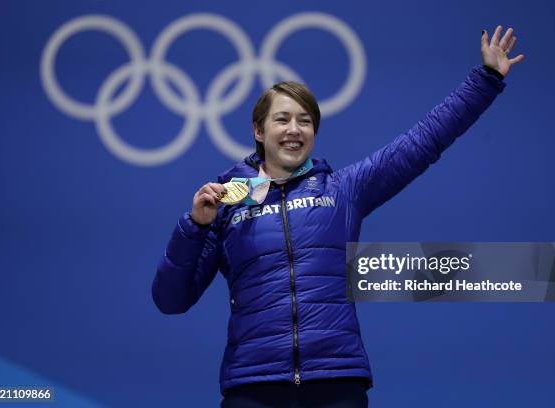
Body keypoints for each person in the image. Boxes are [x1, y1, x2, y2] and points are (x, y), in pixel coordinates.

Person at [152, 26, 524, 407]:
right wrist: (194, 227)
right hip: (253, 386)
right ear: (259, 130)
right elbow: (170, 300)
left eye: (305, 121)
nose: (294, 130)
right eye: (282, 120)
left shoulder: (343, 190)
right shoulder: (224, 203)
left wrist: (486, 80)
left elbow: (423, 141)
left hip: (336, 383)